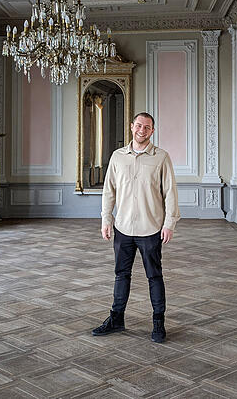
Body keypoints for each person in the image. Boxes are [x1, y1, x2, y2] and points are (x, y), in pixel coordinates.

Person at [91, 112, 179, 343]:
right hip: (123, 229)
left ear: (152, 131)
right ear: (131, 127)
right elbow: (109, 191)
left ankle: (158, 322)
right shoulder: (118, 157)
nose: (142, 130)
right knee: (121, 275)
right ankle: (116, 318)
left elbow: (170, 193)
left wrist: (169, 223)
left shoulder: (161, 157)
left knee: (154, 276)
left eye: (147, 127)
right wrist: (106, 219)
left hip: (151, 229)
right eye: (138, 125)